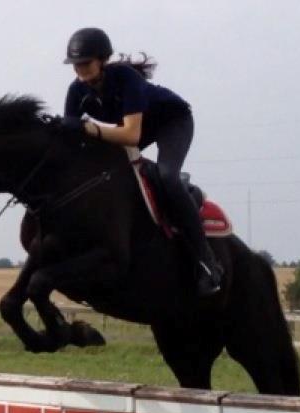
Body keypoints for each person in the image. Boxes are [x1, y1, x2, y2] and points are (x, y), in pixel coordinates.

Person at [63, 26, 222, 296]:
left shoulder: (126, 79)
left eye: (85, 63)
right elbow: (71, 136)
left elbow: (131, 135)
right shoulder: (76, 91)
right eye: (75, 65)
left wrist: (88, 129)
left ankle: (207, 263)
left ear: (102, 60)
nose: (80, 70)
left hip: (172, 122)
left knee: (168, 177)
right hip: (134, 128)